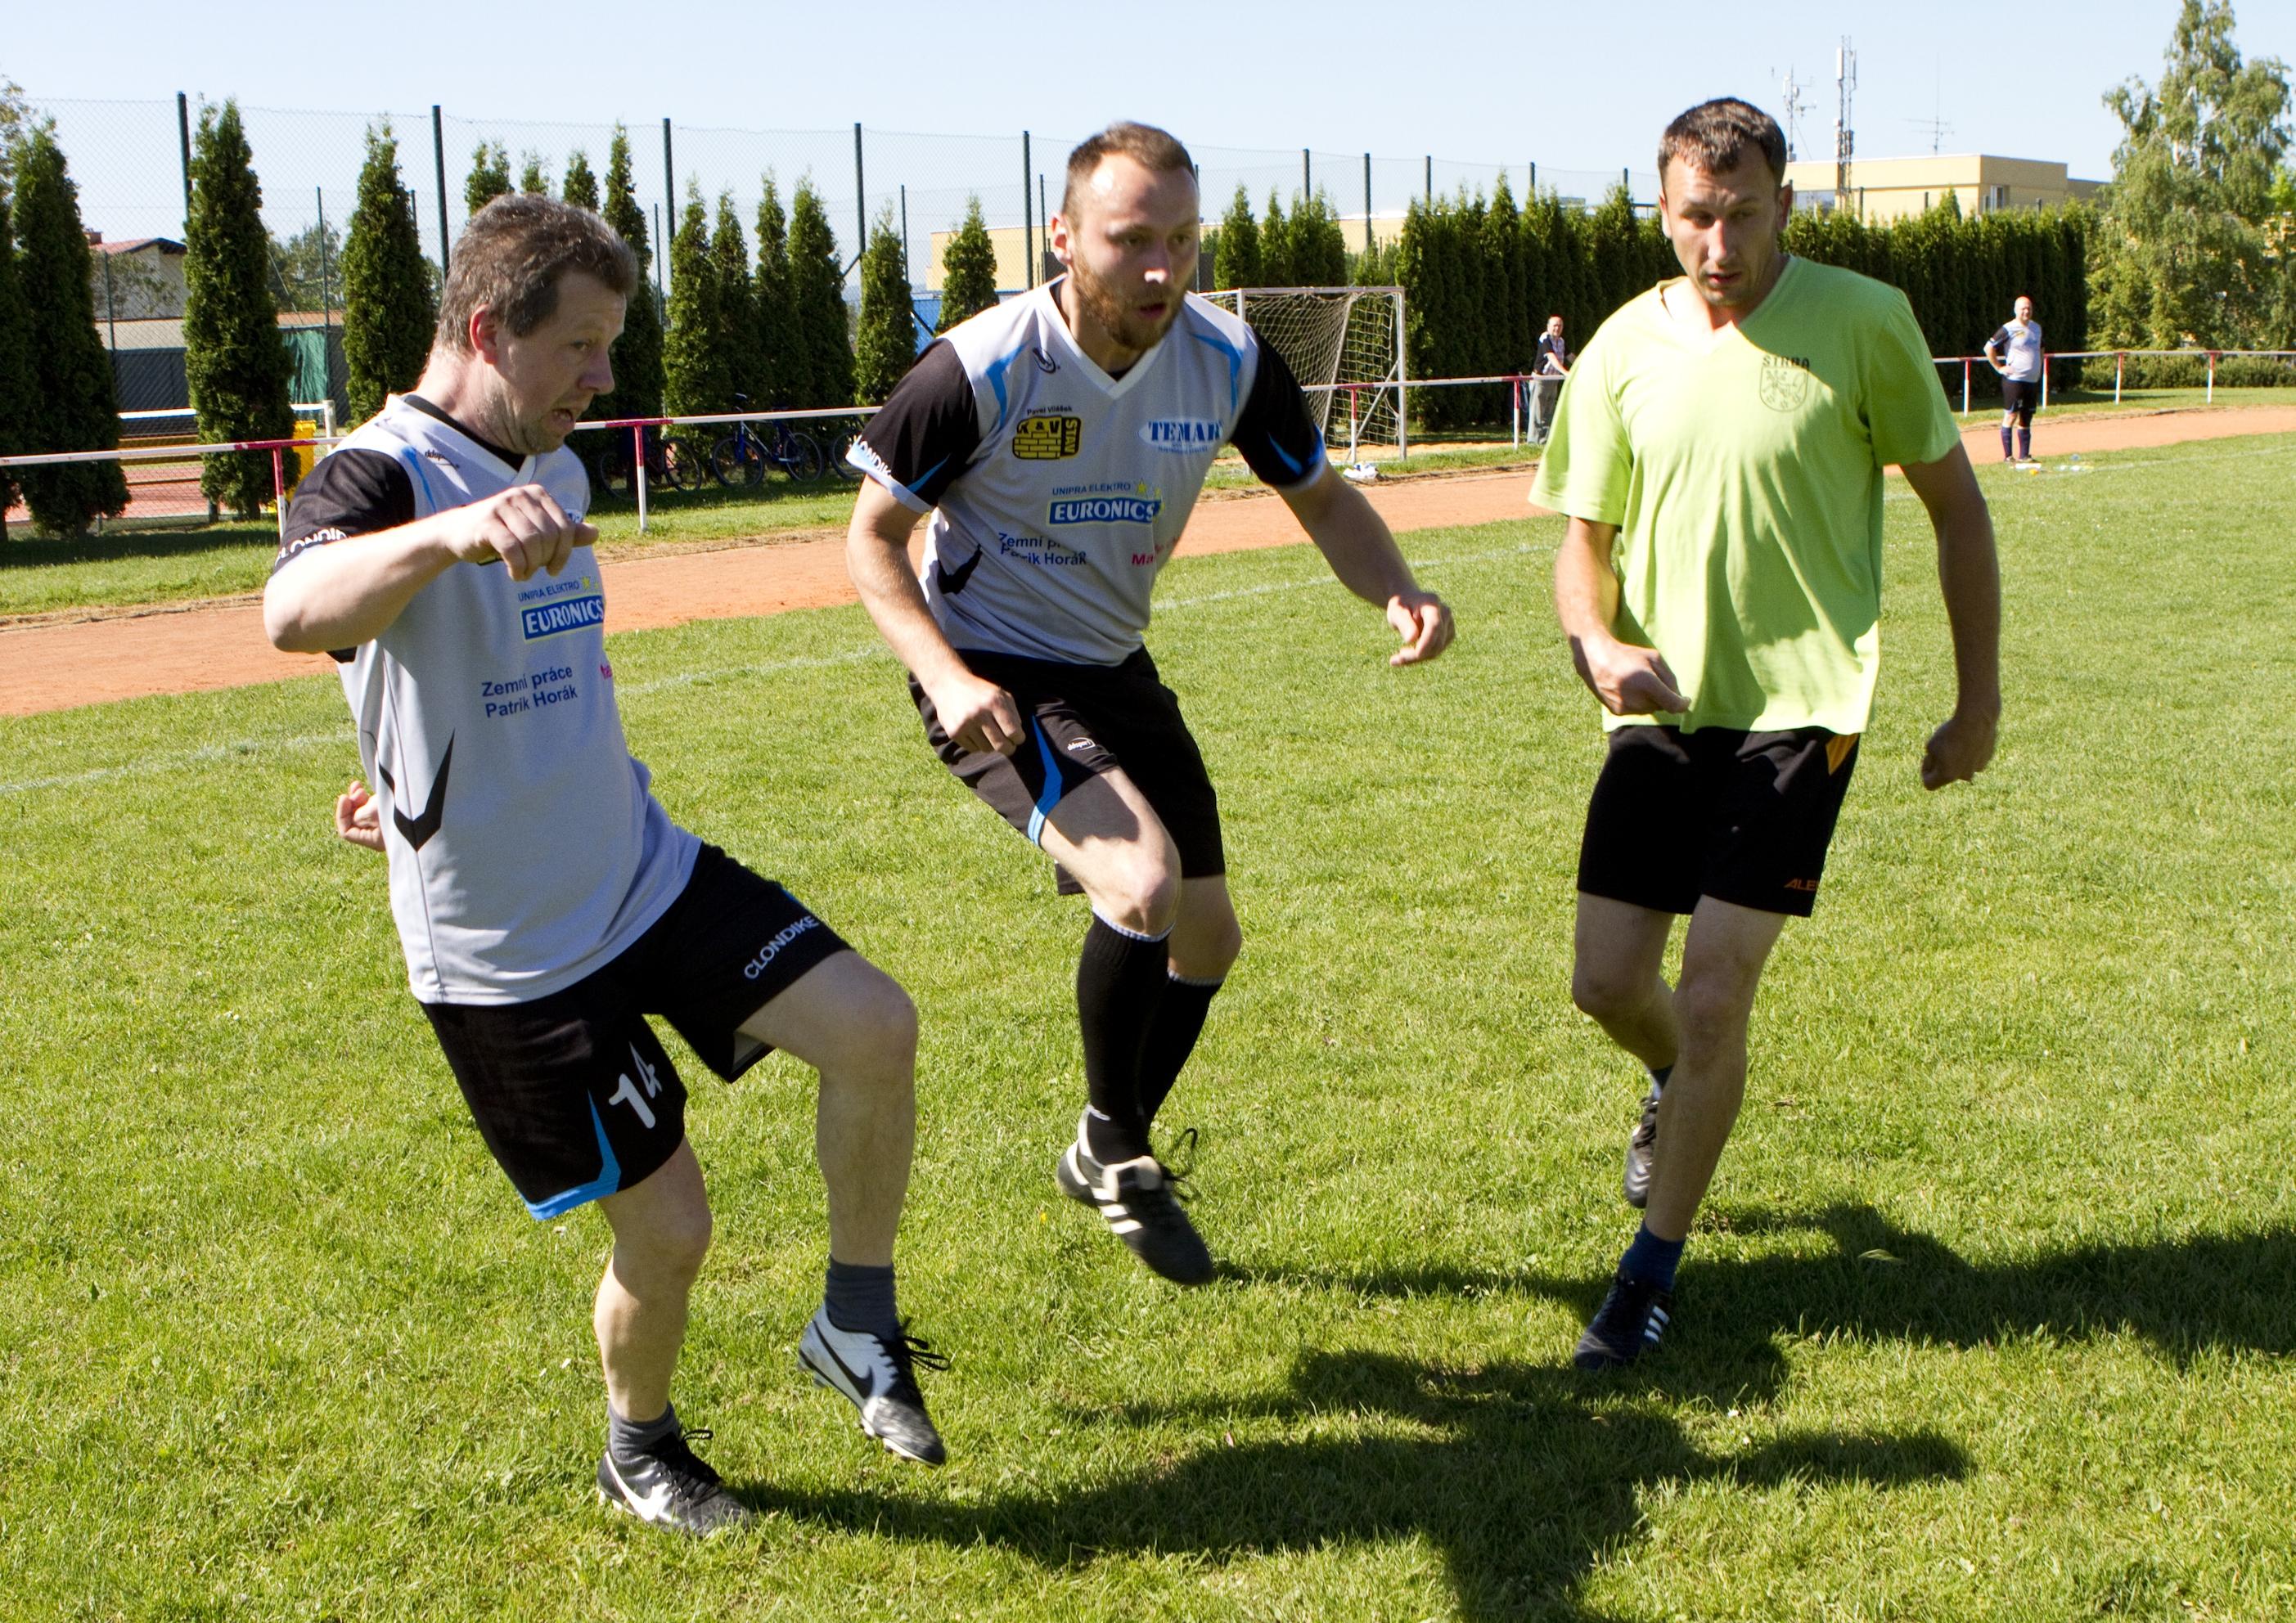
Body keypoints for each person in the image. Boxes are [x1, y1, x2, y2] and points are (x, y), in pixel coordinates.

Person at [263, 195, 946, 1536]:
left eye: (607, 346)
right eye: (578, 347)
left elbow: (539, 671)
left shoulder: (559, 467)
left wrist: (419, 775)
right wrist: (452, 537)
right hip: (512, 952)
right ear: (484, 329)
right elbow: (297, 607)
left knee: (876, 1025)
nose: (602, 378)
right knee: (672, 1226)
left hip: (640, 869)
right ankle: (639, 1450)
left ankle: (853, 1321)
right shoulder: (381, 471)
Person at [844, 121, 1453, 1288]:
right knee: (1143, 885)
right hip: (992, 672)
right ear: (1065, 239)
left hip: (1111, 664)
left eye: (1181, 240)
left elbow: (1321, 500)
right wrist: (948, 675)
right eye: (1132, 242)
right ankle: (1121, 1149)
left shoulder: (1225, 360)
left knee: (1208, 937)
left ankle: (1097, 1138)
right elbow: (871, 541)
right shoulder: (978, 368)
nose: (1162, 268)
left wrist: (1398, 590)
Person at [1530, 99, 2001, 1370]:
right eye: (1694, 216)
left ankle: (1646, 1279)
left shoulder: (1864, 323)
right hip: (1663, 709)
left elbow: (1958, 513)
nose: (1718, 244)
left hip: (1804, 709)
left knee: (1717, 994)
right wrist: (1595, 643)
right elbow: (1580, 542)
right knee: (1606, 985)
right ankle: (1675, 1088)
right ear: (1663, 209)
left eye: (1742, 215)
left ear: (1784, 204)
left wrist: (1977, 701)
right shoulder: (1622, 345)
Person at [1985, 295, 2045, 463]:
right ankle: (2008, 456)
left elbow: (2041, 347)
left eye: (2029, 308)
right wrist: (1999, 367)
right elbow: (1989, 347)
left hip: (2031, 381)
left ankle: (2025, 455)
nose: (2026, 311)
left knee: (2027, 417)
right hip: (2014, 380)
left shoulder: (2036, 328)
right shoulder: (2008, 328)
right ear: (2016, 310)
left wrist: (2038, 367)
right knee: (2011, 415)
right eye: (2023, 308)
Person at [1530, 315, 1571, 444]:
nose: (1557, 328)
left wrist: (1582, 367)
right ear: (1548, 327)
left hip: (1553, 380)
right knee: (1537, 412)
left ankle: (1545, 441)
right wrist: (1565, 372)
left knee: (1549, 412)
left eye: (1560, 326)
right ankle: (1533, 441)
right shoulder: (1545, 338)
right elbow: (1551, 358)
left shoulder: (1561, 341)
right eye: (1555, 325)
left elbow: (1570, 356)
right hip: (1541, 380)